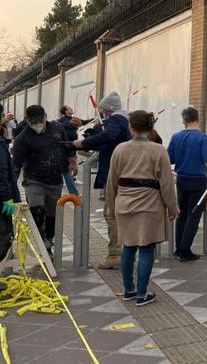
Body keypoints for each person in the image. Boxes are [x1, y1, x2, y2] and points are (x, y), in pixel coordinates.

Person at [105, 110, 178, 306]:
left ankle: (129, 289)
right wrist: (173, 208)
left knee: (128, 246)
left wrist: (111, 206)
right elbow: (167, 184)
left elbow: (111, 181)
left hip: (124, 202)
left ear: (131, 127)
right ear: (151, 126)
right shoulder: (158, 150)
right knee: (146, 248)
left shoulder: (119, 149)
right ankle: (142, 293)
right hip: (149, 203)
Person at [73, 91, 131, 269]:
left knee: (111, 213)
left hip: (114, 173)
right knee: (120, 214)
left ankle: (115, 253)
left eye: (104, 111)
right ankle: (127, 251)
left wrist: (84, 143)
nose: (103, 114)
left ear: (109, 109)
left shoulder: (115, 121)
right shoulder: (126, 121)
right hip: (125, 173)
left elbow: (109, 136)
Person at [11, 105, 76, 255]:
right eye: (33, 121)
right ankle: (41, 242)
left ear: (45, 116)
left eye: (40, 120)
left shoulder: (57, 129)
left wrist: (72, 160)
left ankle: (49, 238)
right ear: (27, 120)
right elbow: (16, 165)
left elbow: (67, 146)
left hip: (54, 180)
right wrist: (11, 186)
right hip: (33, 181)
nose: (38, 124)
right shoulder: (23, 138)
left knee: (52, 216)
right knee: (37, 212)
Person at [167, 107, 207, 263]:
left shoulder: (176, 136)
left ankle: (178, 248)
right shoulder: (202, 138)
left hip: (181, 180)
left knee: (182, 214)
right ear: (197, 120)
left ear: (184, 121)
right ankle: (185, 250)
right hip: (198, 181)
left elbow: (169, 158)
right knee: (193, 215)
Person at [0, 120, 20, 261]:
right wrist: (9, 199)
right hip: (3, 199)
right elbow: (3, 173)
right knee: (5, 236)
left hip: (5, 196)